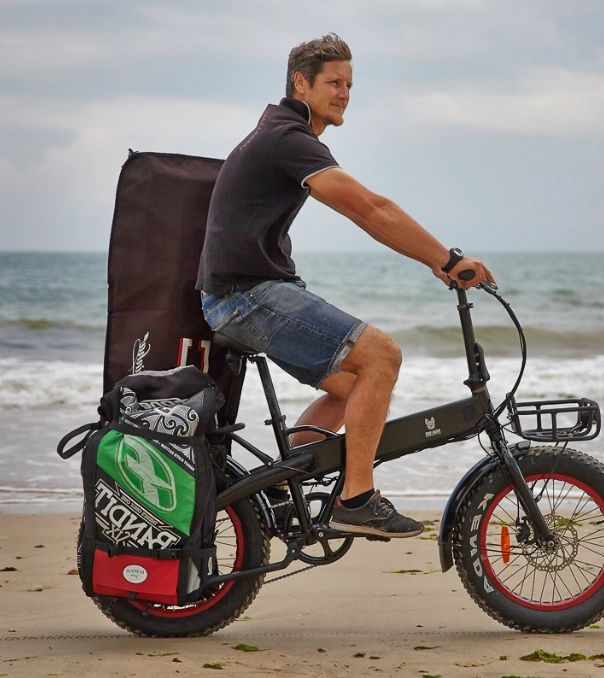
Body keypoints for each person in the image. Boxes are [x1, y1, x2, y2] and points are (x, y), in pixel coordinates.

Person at [196, 33, 495, 538]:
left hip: (242, 294)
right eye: (334, 82)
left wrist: (435, 262)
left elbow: (372, 213)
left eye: (350, 85)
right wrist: (445, 258)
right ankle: (356, 499)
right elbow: (370, 209)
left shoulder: (285, 134)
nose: (344, 93)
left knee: (356, 387)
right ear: (300, 83)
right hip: (242, 297)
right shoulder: (286, 140)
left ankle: (279, 484)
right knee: (381, 355)